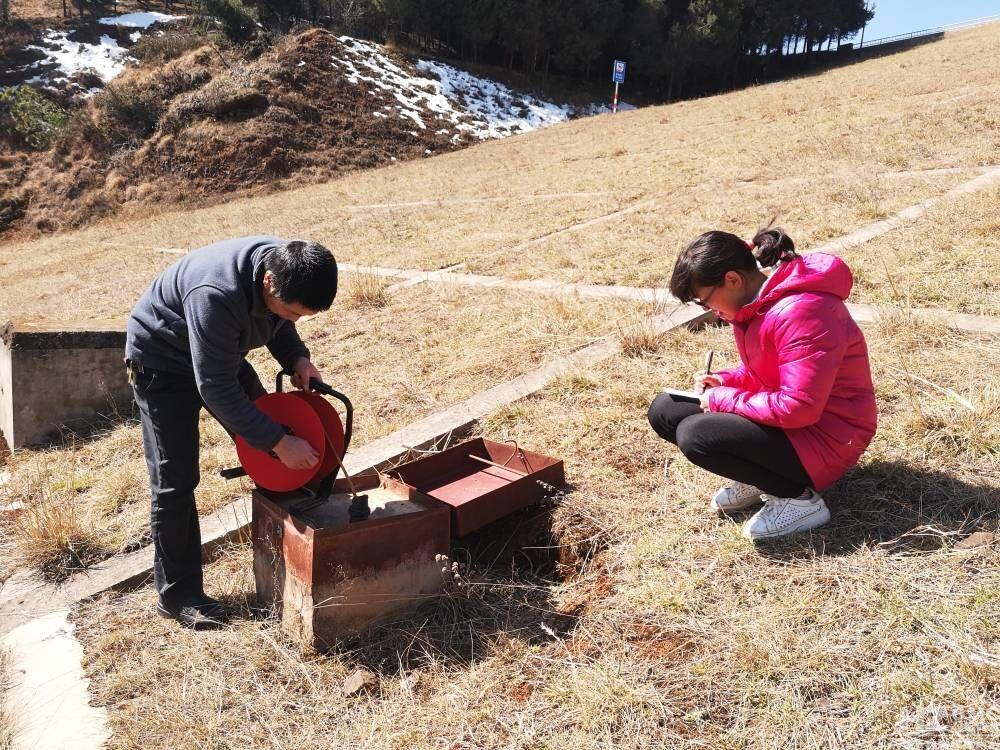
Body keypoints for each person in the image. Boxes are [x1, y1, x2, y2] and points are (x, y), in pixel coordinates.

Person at [125, 236, 337, 627]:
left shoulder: (286, 265)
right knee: (175, 481)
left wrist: (297, 358)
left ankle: (294, 547)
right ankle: (178, 595)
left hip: (218, 353)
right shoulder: (215, 294)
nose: (295, 321)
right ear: (269, 282)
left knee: (277, 436)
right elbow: (216, 389)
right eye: (294, 312)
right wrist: (277, 441)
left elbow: (281, 321)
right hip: (162, 364)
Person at [647, 228, 877, 541]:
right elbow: (768, 371)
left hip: (829, 436)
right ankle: (758, 476)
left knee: (696, 435)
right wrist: (724, 380)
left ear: (732, 279)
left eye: (705, 301)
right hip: (798, 423)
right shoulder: (758, 303)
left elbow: (800, 408)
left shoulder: (801, 311)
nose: (709, 311)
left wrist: (722, 399)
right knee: (666, 409)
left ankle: (797, 499)